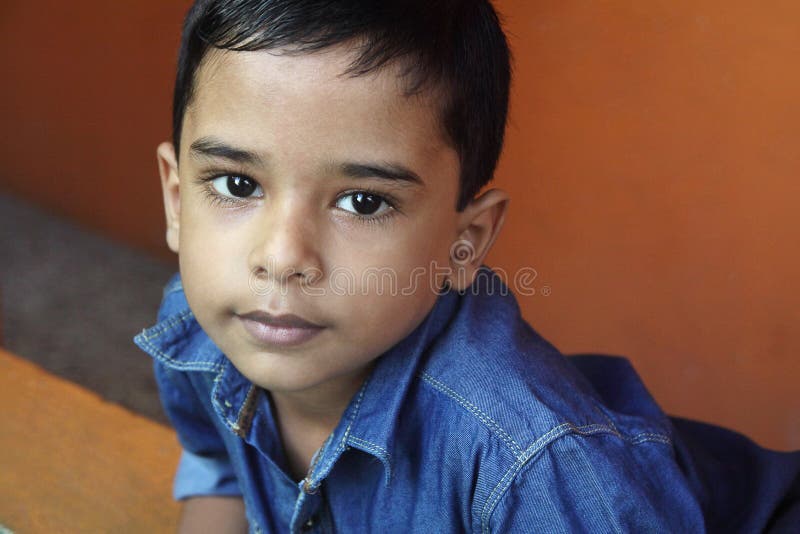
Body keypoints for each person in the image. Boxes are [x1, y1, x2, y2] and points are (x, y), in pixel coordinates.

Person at [135, 1, 798, 532]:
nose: (280, 258)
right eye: (236, 185)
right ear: (176, 197)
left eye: (364, 202)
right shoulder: (201, 328)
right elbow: (220, 469)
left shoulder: (536, 467)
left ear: (466, 241)